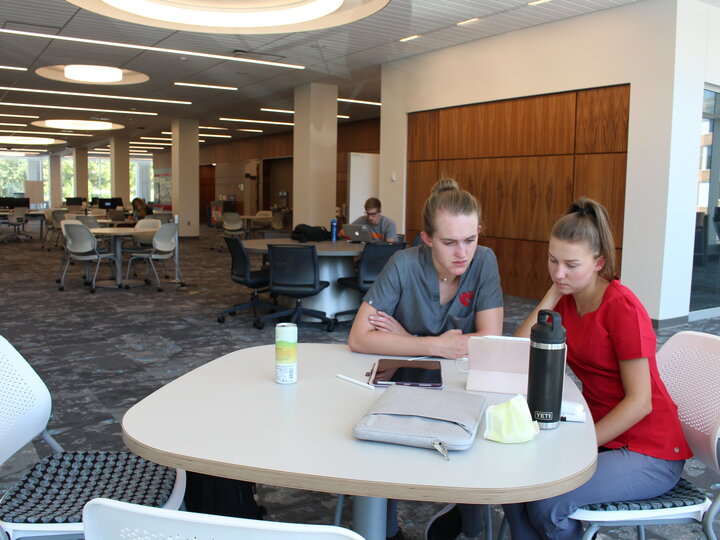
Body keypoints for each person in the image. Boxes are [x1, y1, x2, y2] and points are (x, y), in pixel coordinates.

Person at [503, 197, 691, 540]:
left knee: (548, 503)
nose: (559, 272)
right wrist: (554, 292)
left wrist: (584, 445)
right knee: (517, 487)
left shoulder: (623, 308)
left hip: (649, 451)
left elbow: (641, 402)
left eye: (572, 264)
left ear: (598, 262)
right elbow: (520, 347)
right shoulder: (567, 297)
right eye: (553, 260)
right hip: (604, 434)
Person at [348, 178, 504, 539]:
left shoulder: (484, 261)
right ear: (427, 238)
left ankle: (467, 521)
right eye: (449, 242)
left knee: (474, 439)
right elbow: (358, 337)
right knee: (377, 438)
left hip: (463, 384)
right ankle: (385, 529)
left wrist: (403, 338)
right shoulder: (403, 264)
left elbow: (490, 339)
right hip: (407, 380)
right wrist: (431, 344)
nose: (462, 253)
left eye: (471, 239)